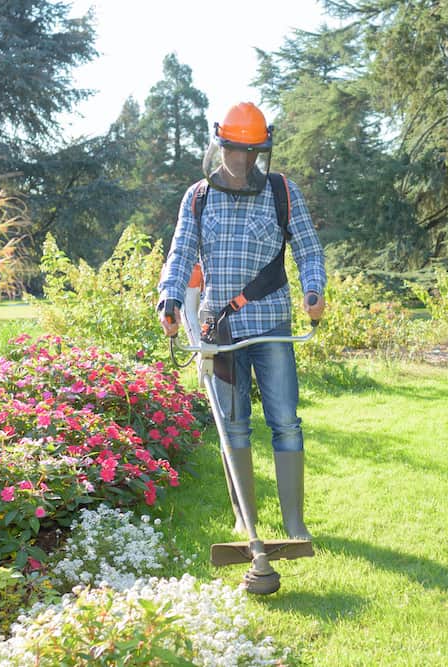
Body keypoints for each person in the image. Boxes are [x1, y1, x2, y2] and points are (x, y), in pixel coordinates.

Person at [157, 102, 326, 541]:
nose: (241, 160)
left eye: (251, 152)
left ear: (261, 152)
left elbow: (308, 249)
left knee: (285, 420)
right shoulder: (198, 196)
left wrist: (314, 291)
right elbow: (180, 253)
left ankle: (294, 523)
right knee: (233, 423)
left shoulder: (282, 192)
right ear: (220, 146)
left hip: (271, 324)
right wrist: (170, 299)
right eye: (234, 150)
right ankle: (244, 519)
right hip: (220, 329)